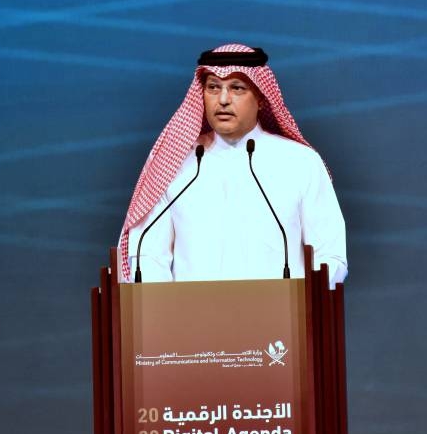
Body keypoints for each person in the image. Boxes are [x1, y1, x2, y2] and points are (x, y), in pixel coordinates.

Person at [117, 44, 347, 286]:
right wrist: (165, 311)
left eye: (237, 88)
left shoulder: (301, 163)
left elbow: (330, 256)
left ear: (260, 97)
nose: (223, 100)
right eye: (213, 88)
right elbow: (147, 255)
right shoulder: (175, 164)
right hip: (191, 319)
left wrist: (300, 302)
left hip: (281, 319)